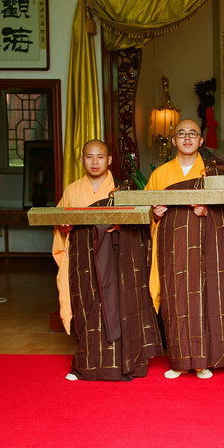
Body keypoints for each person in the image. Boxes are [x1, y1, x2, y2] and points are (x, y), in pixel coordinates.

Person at [52, 139, 161, 381]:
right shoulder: (72, 190)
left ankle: (124, 364)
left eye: (100, 157)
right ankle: (85, 365)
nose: (95, 162)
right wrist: (64, 227)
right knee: (86, 305)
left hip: (115, 255)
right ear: (81, 160)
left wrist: (122, 224)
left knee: (118, 305)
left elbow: (142, 223)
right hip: (82, 257)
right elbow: (61, 224)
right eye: (89, 157)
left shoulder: (123, 190)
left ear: (109, 160)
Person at [146, 119, 224, 380]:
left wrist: (208, 211)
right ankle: (179, 360)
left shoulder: (213, 174)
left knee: (204, 298)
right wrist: (154, 213)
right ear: (174, 140)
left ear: (201, 141)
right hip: (172, 247)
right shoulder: (160, 174)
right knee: (176, 299)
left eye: (193, 134)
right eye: (181, 134)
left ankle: (203, 361)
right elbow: (144, 208)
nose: (187, 138)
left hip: (205, 245)